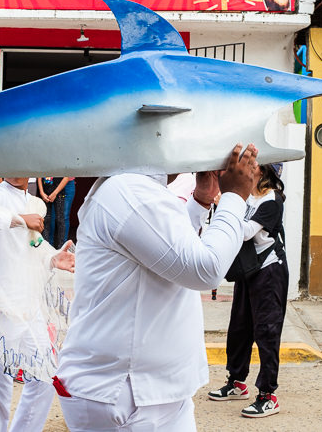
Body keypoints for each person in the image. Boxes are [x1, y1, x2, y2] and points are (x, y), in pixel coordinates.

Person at [54, 143, 257, 431]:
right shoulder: (131, 191)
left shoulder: (135, 188)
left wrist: (201, 199)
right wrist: (234, 197)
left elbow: (165, 250)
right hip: (125, 392)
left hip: (149, 390)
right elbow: (205, 269)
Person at [0, 177, 75, 432]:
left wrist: (54, 258)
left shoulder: (36, 203)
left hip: (28, 303)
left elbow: (32, 247)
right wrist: (20, 219)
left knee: (45, 378)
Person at [207, 164, 287, 418]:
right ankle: (237, 382)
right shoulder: (246, 196)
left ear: (264, 172)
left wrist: (225, 209)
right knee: (239, 328)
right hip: (248, 270)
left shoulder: (272, 199)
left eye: (252, 166)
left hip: (269, 270)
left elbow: (246, 232)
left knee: (267, 331)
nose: (246, 170)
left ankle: (267, 395)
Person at [38, 177, 69, 247]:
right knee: (45, 219)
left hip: (59, 193)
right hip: (45, 194)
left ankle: (61, 246)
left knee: (60, 219)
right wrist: (41, 192)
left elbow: (66, 178)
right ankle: (45, 246)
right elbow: (39, 176)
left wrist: (55, 193)